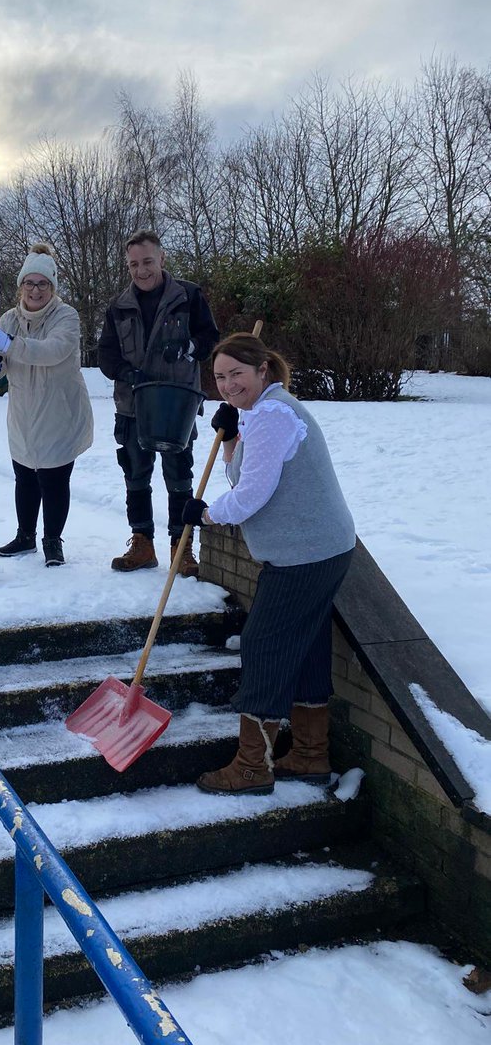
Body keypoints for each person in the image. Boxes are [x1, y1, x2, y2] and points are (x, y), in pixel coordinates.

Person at [181, 332, 356, 795]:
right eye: (219, 377)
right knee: (307, 642)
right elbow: (244, 474)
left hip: (305, 554)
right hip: (319, 548)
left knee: (263, 644)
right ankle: (310, 754)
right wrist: (236, 433)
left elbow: (250, 497)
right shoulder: (264, 412)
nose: (227, 384)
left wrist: (203, 514)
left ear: (263, 370)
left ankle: (252, 767)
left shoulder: (274, 415)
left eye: (237, 373)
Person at [97, 229, 219, 577]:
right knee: (135, 475)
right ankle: (142, 543)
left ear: (162, 259)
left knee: (179, 477)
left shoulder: (188, 296)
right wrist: (126, 372)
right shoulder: (118, 307)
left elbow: (210, 338)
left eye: (148, 261)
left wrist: (187, 348)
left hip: (175, 404)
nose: (142, 270)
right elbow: (106, 354)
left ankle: (182, 550)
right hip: (133, 406)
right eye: (134, 264)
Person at [0, 243, 93, 567]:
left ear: (52, 286)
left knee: (54, 480)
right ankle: (25, 536)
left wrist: (10, 345)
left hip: (60, 414)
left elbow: (52, 351)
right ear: (21, 286)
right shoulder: (8, 319)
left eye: (43, 283)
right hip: (23, 414)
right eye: (29, 283)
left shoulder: (66, 317)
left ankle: (52, 541)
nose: (35, 290)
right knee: (25, 477)